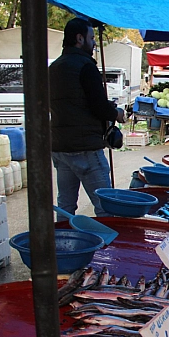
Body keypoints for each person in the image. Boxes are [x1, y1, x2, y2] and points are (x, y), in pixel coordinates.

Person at [49, 18, 126, 217]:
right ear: (79, 38)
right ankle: (111, 247)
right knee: (106, 206)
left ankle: (63, 244)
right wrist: (116, 114)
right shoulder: (85, 66)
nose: (93, 44)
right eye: (91, 39)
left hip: (60, 146)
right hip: (85, 148)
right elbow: (98, 107)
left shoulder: (54, 68)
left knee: (65, 206)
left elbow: (71, 103)